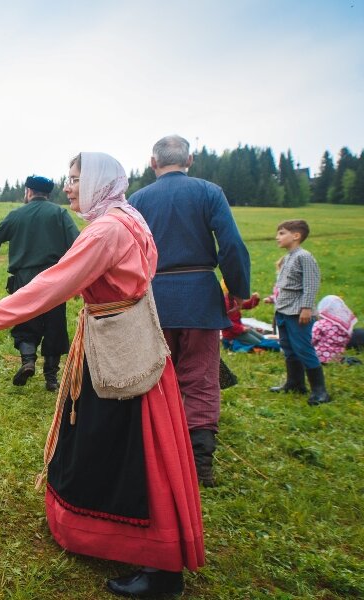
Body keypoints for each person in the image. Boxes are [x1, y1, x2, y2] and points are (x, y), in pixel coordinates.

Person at [0, 153, 204, 598]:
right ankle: (111, 533)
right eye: (68, 180)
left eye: (76, 179)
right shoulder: (129, 217)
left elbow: (55, 283)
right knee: (115, 436)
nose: (69, 187)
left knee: (125, 442)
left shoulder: (107, 229)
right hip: (129, 338)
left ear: (99, 183)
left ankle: (160, 566)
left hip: (117, 349)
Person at [129, 135, 251, 487]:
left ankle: (157, 453)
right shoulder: (209, 192)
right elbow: (230, 244)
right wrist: (239, 290)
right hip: (199, 297)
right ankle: (200, 463)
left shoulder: (138, 200)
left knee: (155, 375)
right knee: (200, 377)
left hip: (153, 300)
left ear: (153, 163)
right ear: (190, 160)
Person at [0, 175, 79, 390]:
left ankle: (28, 361)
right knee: (55, 324)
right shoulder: (60, 213)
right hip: (55, 278)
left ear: (28, 192)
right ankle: (51, 378)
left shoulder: (17, 215)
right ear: (47, 194)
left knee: (26, 320)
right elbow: (78, 244)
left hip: (24, 279)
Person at [263, 220, 331, 405]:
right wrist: (274, 298)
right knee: (288, 348)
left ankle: (320, 391)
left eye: (281, 233)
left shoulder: (304, 257)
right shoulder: (287, 258)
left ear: (296, 235)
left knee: (303, 348)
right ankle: (295, 383)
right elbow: (286, 286)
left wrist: (306, 308)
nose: (277, 237)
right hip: (283, 312)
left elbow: (311, 284)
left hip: (298, 313)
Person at [221, 287, 280, 352]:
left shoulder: (235, 299)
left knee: (262, 338)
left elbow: (247, 305)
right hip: (232, 335)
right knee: (259, 343)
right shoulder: (225, 303)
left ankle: (273, 346)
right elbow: (225, 323)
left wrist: (254, 299)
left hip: (240, 330)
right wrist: (241, 329)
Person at [312, 295, 358, 364]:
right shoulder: (345, 325)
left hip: (320, 357)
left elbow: (312, 339)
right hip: (337, 357)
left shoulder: (321, 324)